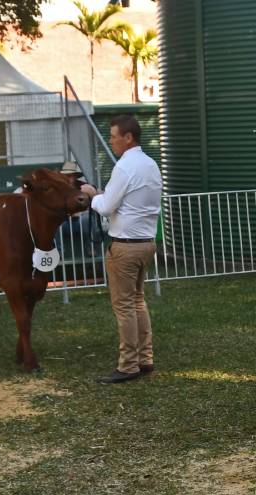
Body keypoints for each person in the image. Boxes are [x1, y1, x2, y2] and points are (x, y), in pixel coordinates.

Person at [82, 115, 162, 384]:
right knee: (138, 300)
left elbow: (106, 206)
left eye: (114, 136)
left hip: (125, 246)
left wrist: (93, 195)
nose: (111, 141)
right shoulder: (150, 165)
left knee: (125, 305)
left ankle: (128, 364)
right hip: (147, 244)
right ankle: (145, 357)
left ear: (128, 138)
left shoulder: (125, 167)